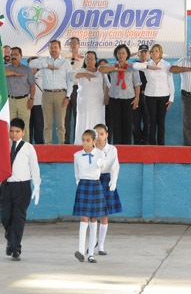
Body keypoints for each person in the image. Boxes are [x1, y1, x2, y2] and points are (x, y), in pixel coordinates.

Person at [0, 118, 41, 261]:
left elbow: (35, 168)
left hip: (22, 186)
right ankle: (10, 237)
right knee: (5, 216)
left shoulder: (28, 148)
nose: (14, 134)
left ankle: (15, 248)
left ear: (23, 132)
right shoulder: (4, 146)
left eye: (17, 131)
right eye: (11, 131)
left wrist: (37, 186)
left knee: (18, 217)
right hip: (6, 185)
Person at [28, 40, 73, 144]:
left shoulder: (65, 63)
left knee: (61, 124)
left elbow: (70, 81)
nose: (53, 50)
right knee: (47, 124)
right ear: (48, 49)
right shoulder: (44, 60)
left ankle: (61, 144)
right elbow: (31, 63)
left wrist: (68, 96)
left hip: (61, 94)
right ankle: (48, 145)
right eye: (51, 48)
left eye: (55, 47)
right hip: (46, 94)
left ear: (60, 49)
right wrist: (46, 65)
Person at [73, 129, 106, 264]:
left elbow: (101, 166)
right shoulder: (77, 155)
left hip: (95, 185)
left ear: (93, 141)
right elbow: (76, 172)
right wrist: (79, 182)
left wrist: (99, 161)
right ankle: (80, 250)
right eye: (83, 140)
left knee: (93, 219)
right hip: (83, 185)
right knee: (83, 217)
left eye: (88, 140)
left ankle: (91, 253)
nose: (85, 143)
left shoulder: (100, 154)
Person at [98, 44, 141, 145]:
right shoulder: (112, 65)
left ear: (127, 55)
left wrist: (137, 99)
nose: (121, 55)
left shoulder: (132, 67)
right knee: (116, 125)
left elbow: (137, 84)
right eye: (119, 53)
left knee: (127, 125)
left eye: (123, 53)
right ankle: (117, 148)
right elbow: (100, 69)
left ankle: (127, 149)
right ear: (116, 55)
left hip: (129, 99)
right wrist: (116, 69)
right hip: (114, 100)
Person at [133, 44, 174, 146]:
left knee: (161, 123)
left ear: (160, 53)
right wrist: (147, 66)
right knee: (151, 122)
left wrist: (171, 98)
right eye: (152, 51)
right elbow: (134, 66)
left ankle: (161, 145)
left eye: (156, 51)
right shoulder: (146, 65)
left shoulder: (166, 65)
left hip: (164, 96)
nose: (154, 53)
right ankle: (152, 145)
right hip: (150, 96)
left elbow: (170, 82)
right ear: (150, 54)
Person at [94, 124, 121, 256]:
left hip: (106, 180)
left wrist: (113, 180)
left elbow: (115, 166)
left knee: (104, 215)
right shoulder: (90, 149)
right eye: (96, 134)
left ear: (106, 135)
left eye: (101, 134)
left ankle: (101, 245)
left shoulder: (112, 149)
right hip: (93, 179)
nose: (99, 137)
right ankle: (92, 242)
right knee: (92, 214)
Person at [69, 51, 106, 145]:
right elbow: (71, 76)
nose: (89, 61)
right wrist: (85, 74)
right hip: (84, 103)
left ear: (96, 60)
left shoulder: (100, 72)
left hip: (98, 103)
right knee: (84, 122)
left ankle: (98, 144)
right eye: (87, 58)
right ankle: (83, 144)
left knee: (97, 122)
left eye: (91, 58)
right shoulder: (81, 71)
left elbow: (107, 86)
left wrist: (107, 98)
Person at [5, 47, 35, 142]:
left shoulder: (28, 70)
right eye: (12, 54)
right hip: (10, 101)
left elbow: (32, 85)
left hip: (24, 101)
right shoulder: (5, 68)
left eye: (16, 54)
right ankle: (10, 149)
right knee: (10, 127)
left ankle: (25, 149)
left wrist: (32, 99)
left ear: (21, 56)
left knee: (24, 126)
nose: (13, 56)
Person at [64, 37, 85, 144]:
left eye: (75, 43)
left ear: (79, 45)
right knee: (65, 117)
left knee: (78, 116)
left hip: (78, 88)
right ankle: (66, 142)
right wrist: (71, 56)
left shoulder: (83, 58)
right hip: (66, 88)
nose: (73, 45)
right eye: (71, 43)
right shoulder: (63, 57)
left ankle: (77, 141)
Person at [132, 45, 150, 145]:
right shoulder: (134, 65)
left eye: (145, 52)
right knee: (135, 121)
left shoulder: (152, 65)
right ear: (138, 53)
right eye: (141, 52)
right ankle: (137, 142)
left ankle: (146, 142)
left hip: (148, 97)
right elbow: (123, 59)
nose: (143, 54)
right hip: (136, 97)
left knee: (148, 121)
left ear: (149, 54)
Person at [28, 57, 44, 144]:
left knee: (39, 128)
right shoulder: (25, 74)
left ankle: (40, 147)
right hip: (28, 105)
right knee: (28, 127)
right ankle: (28, 146)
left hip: (39, 104)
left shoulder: (43, 74)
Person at [98, 58, 113, 143]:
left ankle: (108, 142)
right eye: (100, 65)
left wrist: (107, 98)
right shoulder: (97, 75)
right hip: (99, 103)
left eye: (105, 65)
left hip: (109, 103)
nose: (103, 67)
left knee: (109, 124)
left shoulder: (111, 75)